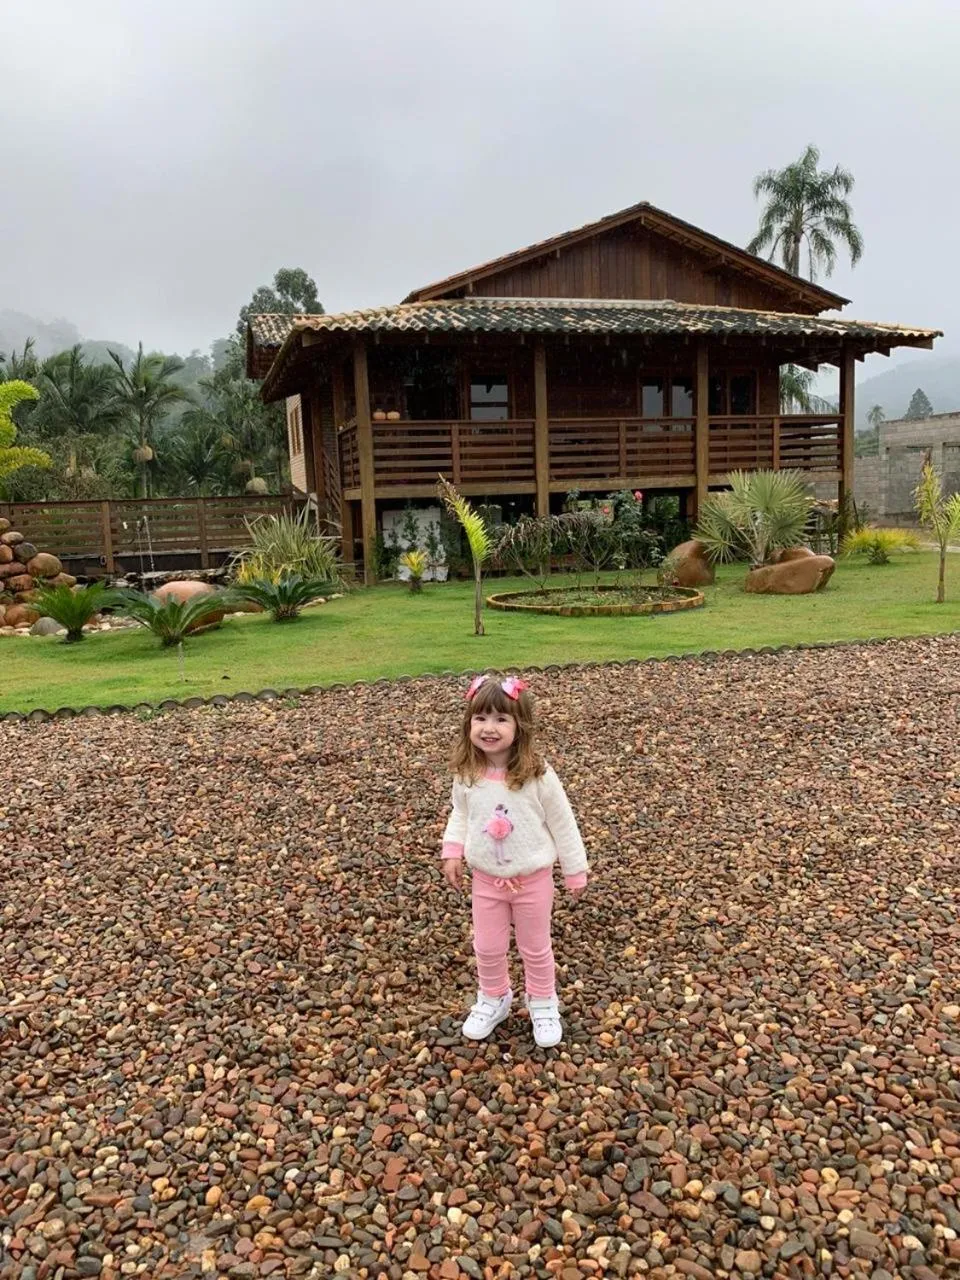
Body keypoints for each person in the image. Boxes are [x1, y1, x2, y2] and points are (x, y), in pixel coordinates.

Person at [441, 672, 588, 1048]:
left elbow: (563, 823)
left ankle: (542, 1001)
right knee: (487, 946)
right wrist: (453, 850)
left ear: (519, 725)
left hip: (533, 881)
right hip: (486, 881)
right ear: (468, 723)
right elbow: (460, 814)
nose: (489, 728)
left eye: (501, 719)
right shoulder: (467, 774)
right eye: (481, 718)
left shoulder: (537, 775)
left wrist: (574, 870)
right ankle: (495, 997)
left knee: (534, 946)